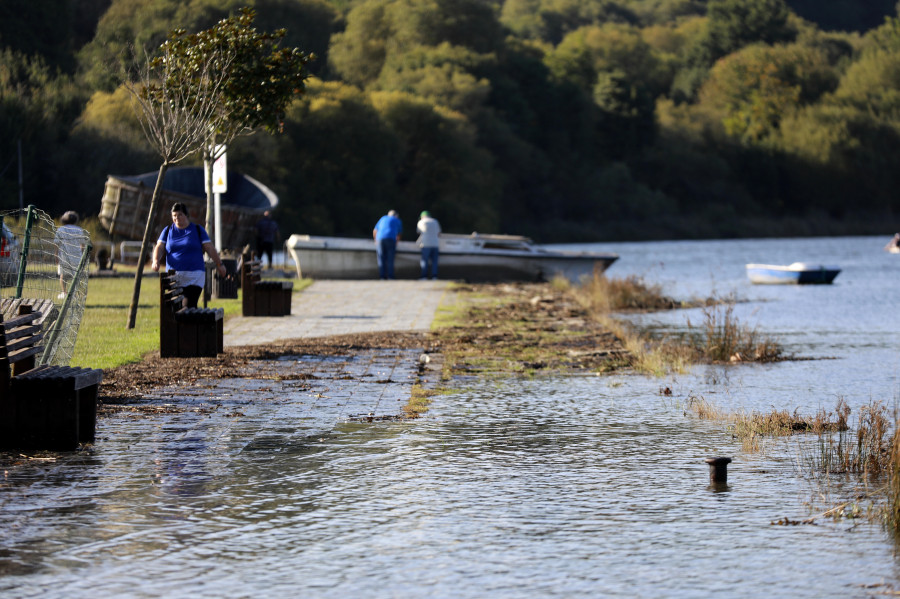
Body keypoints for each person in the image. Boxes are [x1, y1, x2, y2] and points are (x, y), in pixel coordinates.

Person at [151, 203, 227, 308]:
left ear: (186, 215)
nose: (176, 218)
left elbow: (209, 248)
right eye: (174, 216)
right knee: (175, 309)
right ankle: (196, 324)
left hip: (194, 276)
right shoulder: (168, 231)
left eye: (180, 215)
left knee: (187, 307)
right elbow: (159, 247)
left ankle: (194, 322)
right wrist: (156, 260)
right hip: (174, 277)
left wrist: (219, 264)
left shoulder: (197, 230)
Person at [54, 211, 89, 299]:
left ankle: (64, 292)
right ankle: (74, 293)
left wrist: (56, 256)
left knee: (63, 276)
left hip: (64, 257)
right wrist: (81, 255)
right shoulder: (79, 229)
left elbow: (57, 245)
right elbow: (83, 245)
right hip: (77, 257)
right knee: (75, 277)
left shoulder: (60, 230)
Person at [373, 209, 402, 279]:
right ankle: (390, 276)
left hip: (380, 239)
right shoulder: (397, 220)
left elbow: (375, 230)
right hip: (391, 239)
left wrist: (375, 240)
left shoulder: (383, 218)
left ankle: (382, 276)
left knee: (381, 258)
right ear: (396, 216)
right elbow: (399, 234)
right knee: (390, 259)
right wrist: (396, 242)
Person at [416, 210, 441, 280]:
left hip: (425, 244)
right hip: (435, 244)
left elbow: (418, 232)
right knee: (435, 262)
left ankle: (424, 276)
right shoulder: (435, 221)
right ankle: (434, 276)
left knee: (424, 261)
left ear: (422, 217)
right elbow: (439, 233)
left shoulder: (421, 222)